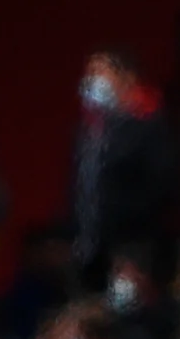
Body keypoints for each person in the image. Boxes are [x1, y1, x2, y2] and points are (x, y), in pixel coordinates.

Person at [72, 50, 172, 282]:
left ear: (125, 77)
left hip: (132, 243)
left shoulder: (147, 124)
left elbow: (159, 183)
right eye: (90, 72)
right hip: (91, 243)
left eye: (100, 72)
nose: (92, 79)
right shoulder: (89, 130)